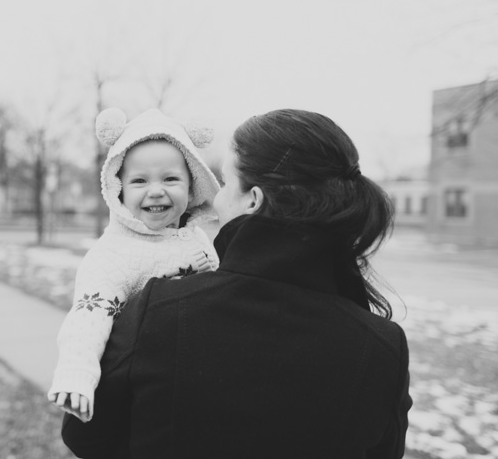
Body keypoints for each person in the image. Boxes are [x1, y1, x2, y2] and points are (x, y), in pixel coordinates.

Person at [61, 109, 412, 458]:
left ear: (253, 200)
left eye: (226, 183)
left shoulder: (158, 311)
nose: (215, 198)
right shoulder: (383, 347)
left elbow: (85, 437)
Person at [48, 107, 221, 423]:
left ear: (192, 186)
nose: (156, 190)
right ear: (119, 190)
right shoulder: (113, 254)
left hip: (203, 385)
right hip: (147, 393)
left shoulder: (198, 237)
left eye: (170, 178)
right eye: (139, 181)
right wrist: (77, 372)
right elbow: (89, 316)